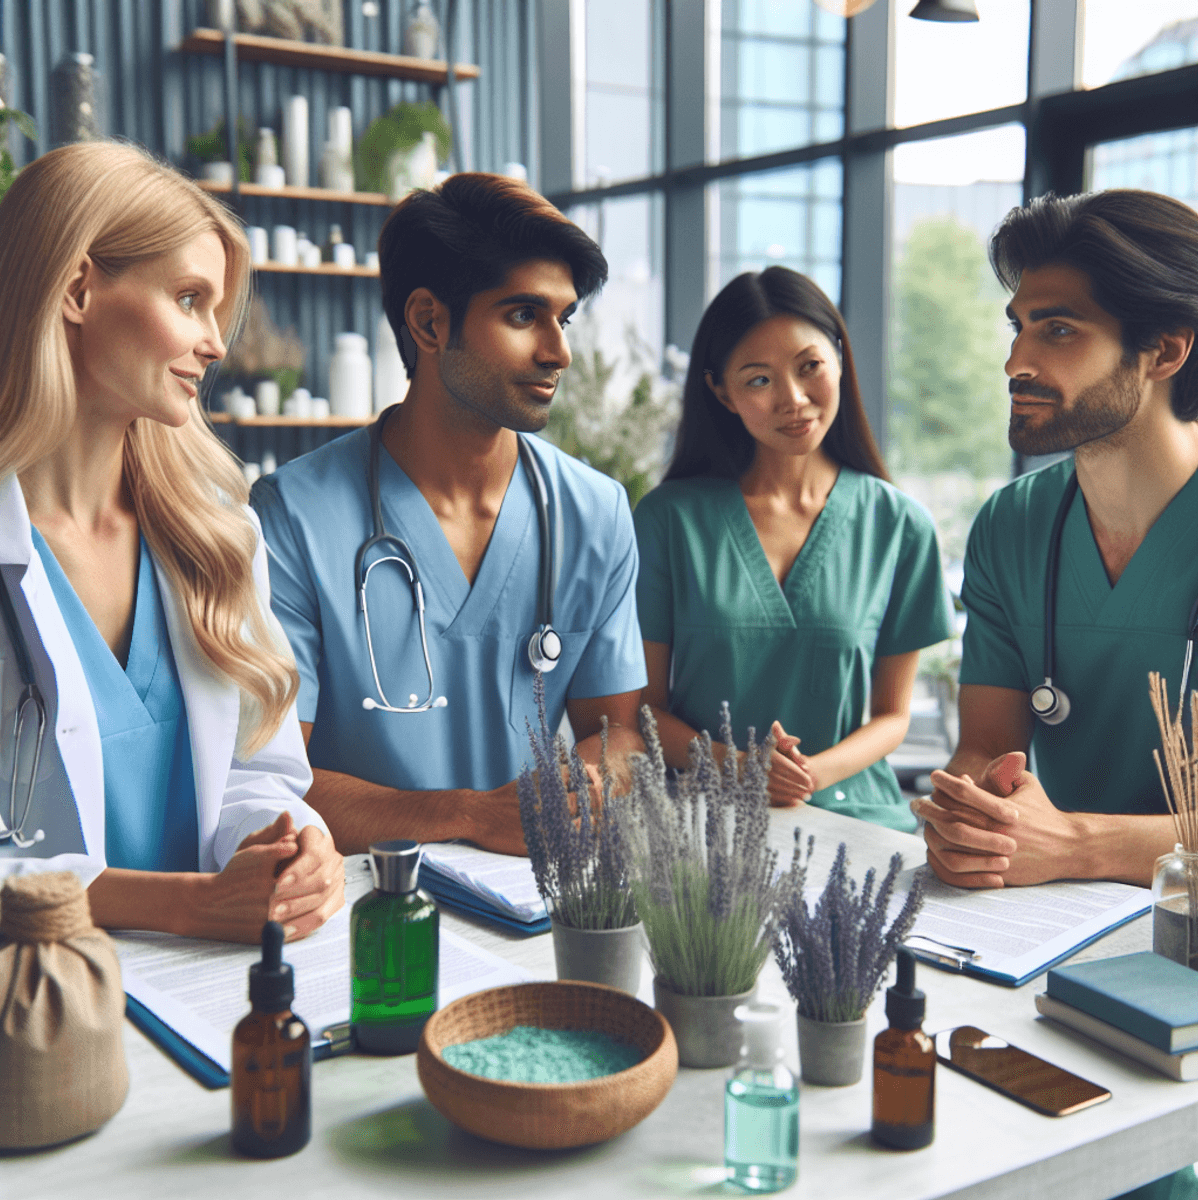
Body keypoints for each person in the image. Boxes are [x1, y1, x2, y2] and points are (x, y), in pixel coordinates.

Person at [0, 142, 343, 943]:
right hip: (38, 997)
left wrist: (290, 844)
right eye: (190, 299)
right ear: (78, 290)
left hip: (210, 984)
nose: (216, 343)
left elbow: (256, 775)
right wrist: (184, 905)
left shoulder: (217, 534)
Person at [250, 173, 646, 857]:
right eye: (523, 316)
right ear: (429, 322)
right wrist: (470, 814)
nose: (558, 352)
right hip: (366, 895)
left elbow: (620, 735)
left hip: (532, 890)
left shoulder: (595, 513)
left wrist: (587, 783)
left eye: (564, 319)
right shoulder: (294, 517)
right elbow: (274, 784)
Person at [912, 189, 1198, 900]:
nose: (1015, 361)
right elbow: (986, 748)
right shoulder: (1011, 526)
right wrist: (973, 817)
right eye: (1018, 327)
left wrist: (1075, 843)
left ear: (1165, 350)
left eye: (1059, 330)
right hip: (1053, 915)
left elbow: (1064, 842)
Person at [633, 267, 953, 831]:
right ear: (722, 393)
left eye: (810, 367)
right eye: (759, 380)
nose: (794, 400)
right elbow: (644, 710)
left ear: (839, 358)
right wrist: (742, 768)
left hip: (857, 817)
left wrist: (811, 774)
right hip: (701, 820)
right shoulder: (667, 520)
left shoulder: (900, 526)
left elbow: (892, 716)